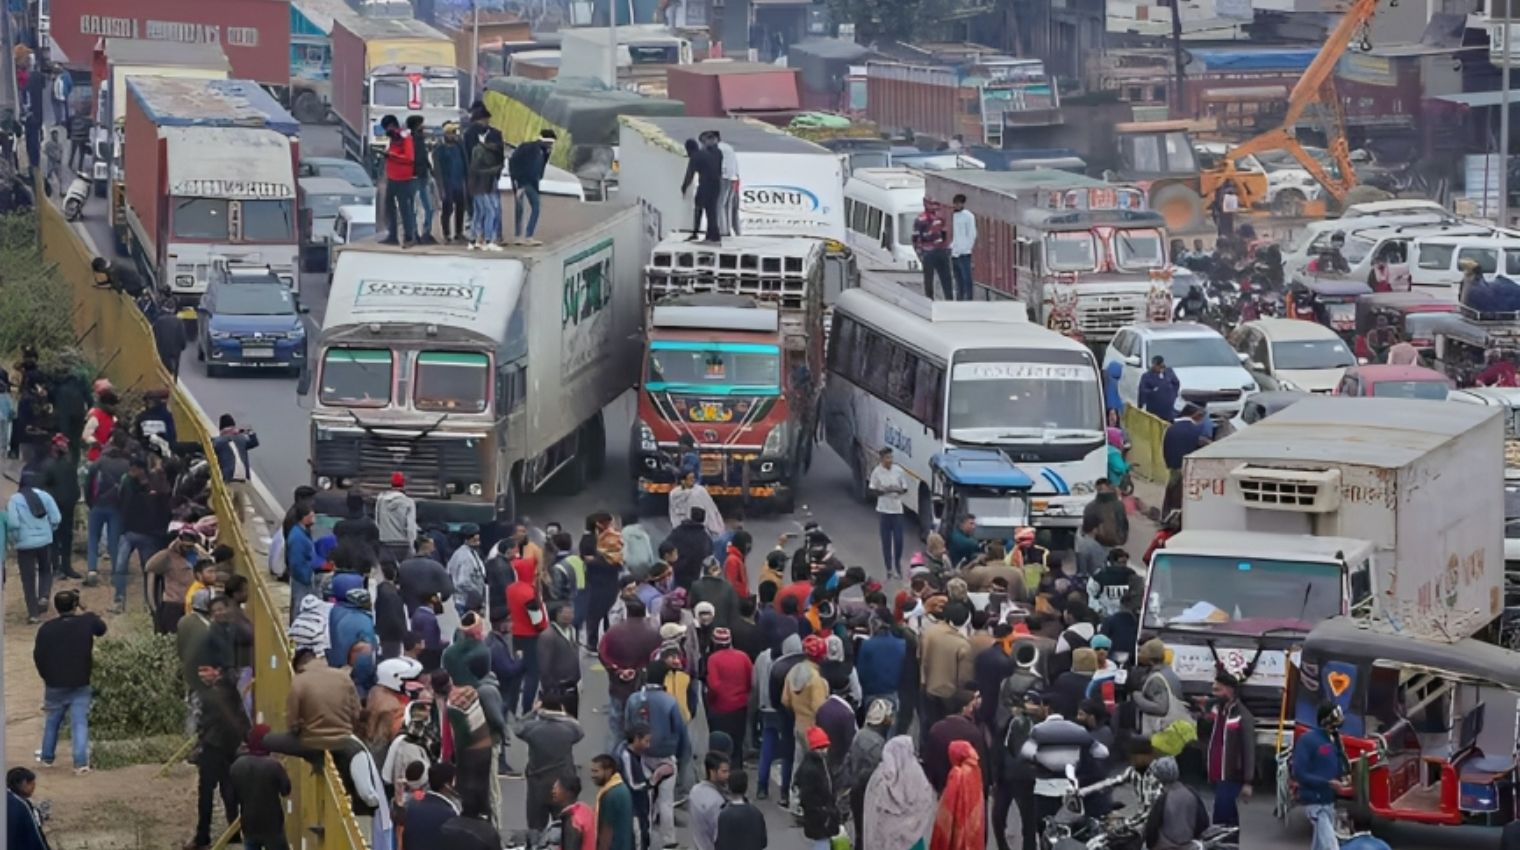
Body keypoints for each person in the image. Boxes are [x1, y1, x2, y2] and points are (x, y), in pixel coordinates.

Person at [33, 588, 106, 771]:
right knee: (79, 722)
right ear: (75, 605)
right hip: (80, 681)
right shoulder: (86, 622)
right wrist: (85, 608)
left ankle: (47, 757)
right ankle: (80, 763)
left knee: (52, 721)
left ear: (56, 607)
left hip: (54, 683)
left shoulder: (46, 629)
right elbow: (102, 629)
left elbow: (39, 656)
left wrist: (47, 677)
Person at [624, 659, 690, 849]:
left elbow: (626, 725)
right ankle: (669, 841)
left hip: (641, 757)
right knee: (666, 801)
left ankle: (645, 838)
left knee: (645, 799)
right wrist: (680, 754)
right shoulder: (669, 701)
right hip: (665, 756)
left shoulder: (634, 699)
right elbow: (680, 730)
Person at [190, 665, 251, 850]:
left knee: (206, 793)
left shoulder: (210, 695)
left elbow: (202, 722)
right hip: (231, 747)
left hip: (213, 746)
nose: (201, 675)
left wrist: (200, 742)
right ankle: (234, 833)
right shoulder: (233, 691)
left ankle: (203, 838)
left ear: (217, 671)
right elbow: (243, 720)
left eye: (205, 670)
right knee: (230, 792)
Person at [516, 689, 586, 837]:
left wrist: (533, 712)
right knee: (565, 825)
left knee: (536, 827)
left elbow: (518, 728)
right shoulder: (569, 729)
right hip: (563, 783)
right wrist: (564, 714)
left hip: (537, 783)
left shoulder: (532, 729)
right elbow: (580, 730)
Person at [1294, 701, 1351, 850]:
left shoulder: (1334, 740)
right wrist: (1328, 783)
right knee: (1330, 846)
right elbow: (1299, 773)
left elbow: (1339, 761)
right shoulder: (1308, 740)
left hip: (1329, 802)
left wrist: (1345, 775)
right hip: (1314, 802)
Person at [864, 735, 936, 850]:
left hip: (886, 840)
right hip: (915, 839)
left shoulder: (880, 778)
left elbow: (872, 811)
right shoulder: (919, 775)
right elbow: (926, 803)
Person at [1203, 672, 1256, 827]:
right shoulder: (1215, 710)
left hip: (1232, 775)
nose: (1214, 694)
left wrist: (1248, 782)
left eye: (1217, 690)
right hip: (1215, 773)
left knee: (1221, 815)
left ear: (1229, 691)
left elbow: (1249, 750)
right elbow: (1204, 733)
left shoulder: (1243, 716)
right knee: (1228, 815)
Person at [227, 726, 292, 850]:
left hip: (249, 825)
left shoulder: (236, 766)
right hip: (273, 826)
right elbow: (286, 790)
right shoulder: (273, 766)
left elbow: (231, 799)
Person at [9, 470, 61, 623]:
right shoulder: (45, 496)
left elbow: (13, 523)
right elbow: (56, 517)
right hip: (44, 541)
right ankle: (44, 596)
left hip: (25, 545)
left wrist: (16, 539)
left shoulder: (15, 499)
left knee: (28, 578)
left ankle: (33, 614)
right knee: (46, 570)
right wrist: (49, 531)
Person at [1143, 756, 1209, 850]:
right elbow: (1203, 823)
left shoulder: (1162, 799)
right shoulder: (1192, 793)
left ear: (1159, 777)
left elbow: (1151, 829)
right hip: (1190, 844)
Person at [931, 740, 986, 850]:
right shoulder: (976, 770)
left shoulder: (957, 774)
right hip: (973, 821)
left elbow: (949, 802)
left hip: (958, 820)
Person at [869, 447, 911, 579]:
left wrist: (896, 489)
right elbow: (873, 489)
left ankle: (897, 564)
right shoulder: (877, 472)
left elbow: (904, 488)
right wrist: (884, 491)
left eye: (891, 458)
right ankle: (889, 568)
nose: (890, 460)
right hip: (884, 509)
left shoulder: (898, 470)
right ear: (882, 459)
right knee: (886, 541)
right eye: (887, 458)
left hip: (897, 510)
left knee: (898, 540)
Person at [507, 130, 556, 244]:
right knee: (536, 206)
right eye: (551, 144)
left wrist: (516, 180)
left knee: (520, 209)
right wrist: (523, 183)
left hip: (520, 181)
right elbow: (533, 169)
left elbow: (513, 161)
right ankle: (528, 236)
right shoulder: (535, 151)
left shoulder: (532, 148)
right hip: (527, 182)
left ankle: (518, 236)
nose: (552, 146)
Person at [794, 726, 839, 850]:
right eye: (821, 747)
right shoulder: (813, 769)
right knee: (822, 844)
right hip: (820, 817)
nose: (825, 750)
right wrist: (825, 813)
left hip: (822, 816)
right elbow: (808, 798)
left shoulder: (817, 763)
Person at [1161, 406, 1210, 517]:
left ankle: (1166, 516)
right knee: (1183, 497)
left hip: (1173, 467)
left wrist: (1169, 463)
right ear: (1196, 416)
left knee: (1171, 492)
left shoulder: (1171, 428)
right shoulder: (1196, 431)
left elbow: (1165, 447)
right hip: (1189, 469)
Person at [468, 111, 507, 251]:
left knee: (480, 212)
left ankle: (474, 240)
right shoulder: (480, 151)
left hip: (481, 184)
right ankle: (489, 239)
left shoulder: (480, 150)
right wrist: (495, 169)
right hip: (482, 184)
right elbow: (477, 169)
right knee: (490, 210)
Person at [378, 114, 417, 246]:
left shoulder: (405, 137)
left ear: (393, 125)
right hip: (392, 177)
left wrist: (391, 155)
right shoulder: (393, 139)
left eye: (388, 128)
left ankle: (409, 237)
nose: (387, 131)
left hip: (403, 178)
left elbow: (409, 158)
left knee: (404, 208)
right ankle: (392, 235)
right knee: (390, 207)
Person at [539, 601, 583, 717]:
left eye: (571, 613)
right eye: (565, 614)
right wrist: (549, 691)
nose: (569, 616)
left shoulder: (572, 631)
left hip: (572, 688)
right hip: (557, 690)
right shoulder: (548, 636)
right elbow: (544, 667)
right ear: (556, 615)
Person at [211, 414, 258, 519]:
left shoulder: (219, 442)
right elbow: (254, 442)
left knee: (227, 510)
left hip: (228, 479)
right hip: (243, 479)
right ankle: (240, 528)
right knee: (240, 510)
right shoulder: (241, 440)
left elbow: (212, 446)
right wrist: (249, 432)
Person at [681, 132, 722, 243]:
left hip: (706, 185)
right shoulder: (709, 153)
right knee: (711, 211)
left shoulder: (695, 156)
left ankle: (707, 236)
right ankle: (712, 235)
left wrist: (683, 187)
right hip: (716, 184)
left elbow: (689, 175)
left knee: (700, 208)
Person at [591, 752, 636, 850]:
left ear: (608, 771)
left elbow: (607, 831)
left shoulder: (609, 795)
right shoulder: (621, 788)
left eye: (596, 771)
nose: (592, 775)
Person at [434, 122, 470, 242]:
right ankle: (446, 234)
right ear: (446, 134)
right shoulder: (440, 149)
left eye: (455, 133)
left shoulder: (459, 147)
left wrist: (467, 180)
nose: (455, 135)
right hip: (447, 183)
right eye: (452, 133)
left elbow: (465, 163)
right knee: (447, 209)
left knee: (461, 208)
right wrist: (441, 187)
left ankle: (459, 232)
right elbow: (437, 169)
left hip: (459, 182)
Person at [913, 197, 954, 300]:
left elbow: (944, 234)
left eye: (936, 204)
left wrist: (946, 249)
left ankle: (949, 299)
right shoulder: (920, 219)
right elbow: (915, 238)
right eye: (932, 204)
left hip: (941, 251)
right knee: (928, 278)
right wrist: (920, 254)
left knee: (946, 277)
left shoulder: (940, 219)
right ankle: (929, 299)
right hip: (927, 251)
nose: (935, 207)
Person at [715, 769, 767, 850]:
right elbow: (763, 842)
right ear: (746, 787)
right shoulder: (756, 813)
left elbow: (721, 844)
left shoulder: (724, 815)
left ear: (729, 788)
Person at [404, 115, 437, 243]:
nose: (423, 126)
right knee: (418, 207)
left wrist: (429, 168)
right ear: (416, 126)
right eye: (420, 124)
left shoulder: (419, 140)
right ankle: (417, 234)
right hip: (414, 177)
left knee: (427, 207)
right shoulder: (411, 140)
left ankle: (423, 233)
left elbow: (423, 157)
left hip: (422, 176)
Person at [689, 752, 730, 850]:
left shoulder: (695, 791)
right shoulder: (718, 802)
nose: (728, 775)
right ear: (712, 772)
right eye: (724, 772)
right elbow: (720, 836)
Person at [285, 505, 319, 622]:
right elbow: (296, 563)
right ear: (304, 518)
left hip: (305, 576)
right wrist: (307, 576)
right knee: (300, 607)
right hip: (302, 579)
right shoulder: (298, 538)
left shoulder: (302, 533)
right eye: (311, 515)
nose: (314, 517)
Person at [374, 472, 416, 563]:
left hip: (385, 544)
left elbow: (377, 523)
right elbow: (410, 528)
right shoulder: (408, 502)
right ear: (404, 484)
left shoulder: (381, 501)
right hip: (403, 545)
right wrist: (412, 547)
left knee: (387, 574)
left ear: (391, 484)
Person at [7, 767, 49, 850]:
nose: (34, 788)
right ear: (24, 783)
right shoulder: (22, 805)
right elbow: (35, 836)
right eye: (33, 784)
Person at [948, 193, 977, 301]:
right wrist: (952, 247)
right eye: (955, 204)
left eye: (958, 204)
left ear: (962, 204)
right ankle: (959, 298)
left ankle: (969, 297)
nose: (956, 206)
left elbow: (972, 234)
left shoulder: (968, 216)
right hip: (955, 251)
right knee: (958, 278)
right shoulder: (954, 216)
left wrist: (967, 247)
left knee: (966, 277)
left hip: (964, 252)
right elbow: (955, 234)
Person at [712, 129, 740, 236]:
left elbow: (719, 164)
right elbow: (735, 163)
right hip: (733, 178)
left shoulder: (718, 148)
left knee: (719, 204)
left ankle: (722, 230)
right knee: (728, 205)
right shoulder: (729, 147)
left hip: (723, 177)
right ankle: (727, 228)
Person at [1137, 356, 1181, 422]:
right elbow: (1142, 391)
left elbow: (1176, 383)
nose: (1158, 368)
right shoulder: (1147, 376)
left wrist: (1172, 394)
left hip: (1168, 410)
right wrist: (1154, 392)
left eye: (1160, 366)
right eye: (1155, 365)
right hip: (1154, 410)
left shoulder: (1169, 372)